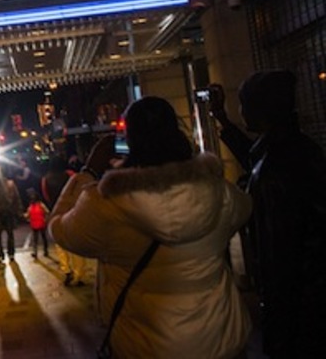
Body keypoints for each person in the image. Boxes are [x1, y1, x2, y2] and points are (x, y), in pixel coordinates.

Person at [49, 96, 252, 359]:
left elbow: (59, 229)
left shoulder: (106, 205)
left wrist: (87, 171)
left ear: (128, 141)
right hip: (222, 340)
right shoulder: (219, 193)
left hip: (145, 346)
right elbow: (246, 208)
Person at [207, 71, 326, 357]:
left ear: (261, 108)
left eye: (244, 103)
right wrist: (221, 118)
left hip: (296, 303)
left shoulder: (275, 168)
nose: (241, 110)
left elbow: (281, 252)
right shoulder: (296, 149)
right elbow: (253, 156)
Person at [41, 155, 88, 286]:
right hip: (72, 212)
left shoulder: (45, 179)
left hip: (56, 214)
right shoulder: (70, 175)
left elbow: (46, 196)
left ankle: (66, 270)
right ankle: (78, 275)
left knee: (60, 244)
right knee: (75, 244)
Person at [24, 188, 50, 259]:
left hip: (39, 224)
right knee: (40, 238)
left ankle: (41, 251)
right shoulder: (38, 205)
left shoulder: (38, 205)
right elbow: (28, 215)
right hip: (37, 224)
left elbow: (47, 212)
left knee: (39, 239)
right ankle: (41, 251)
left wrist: (45, 219)